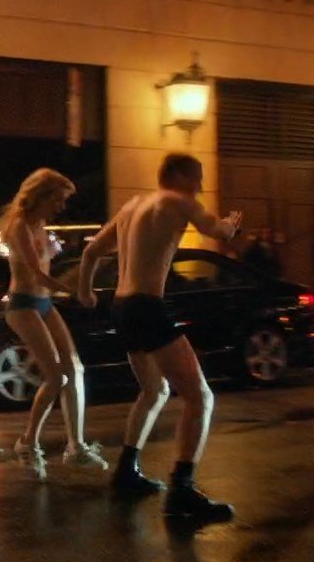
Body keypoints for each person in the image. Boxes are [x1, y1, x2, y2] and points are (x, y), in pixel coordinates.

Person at [77, 153, 240, 522]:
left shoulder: (133, 206)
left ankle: (126, 471)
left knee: (154, 390)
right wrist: (231, 223)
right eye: (197, 177)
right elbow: (218, 232)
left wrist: (86, 292)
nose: (200, 186)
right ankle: (182, 491)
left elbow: (91, 251)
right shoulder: (179, 201)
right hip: (146, 307)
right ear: (178, 176)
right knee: (200, 397)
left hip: (121, 306)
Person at [0, 168, 106, 476]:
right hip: (23, 305)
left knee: (75, 368)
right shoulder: (20, 226)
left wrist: (55, 253)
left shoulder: (40, 224)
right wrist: (75, 291)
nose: (61, 206)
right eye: (57, 200)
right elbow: (36, 275)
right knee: (56, 377)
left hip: (43, 303)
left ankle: (76, 447)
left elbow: (46, 265)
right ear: (41, 196)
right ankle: (27, 444)